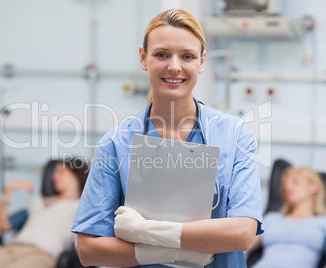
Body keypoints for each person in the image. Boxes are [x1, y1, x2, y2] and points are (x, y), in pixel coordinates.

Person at [72, 8, 263, 268]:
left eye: (187, 56)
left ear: (202, 61)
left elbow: (242, 234)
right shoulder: (117, 142)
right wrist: (169, 253)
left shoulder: (235, 135)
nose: (174, 66)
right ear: (143, 57)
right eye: (162, 54)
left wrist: (145, 232)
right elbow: (89, 249)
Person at [0, 158, 89, 268]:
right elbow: (1, 226)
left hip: (42, 253)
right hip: (11, 248)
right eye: (54, 172)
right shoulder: (39, 201)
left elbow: (83, 245)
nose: (53, 177)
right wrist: (7, 190)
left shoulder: (80, 207)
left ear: (76, 175)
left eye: (61, 172)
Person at [250, 167, 326, 268]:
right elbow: (243, 245)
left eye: (295, 182)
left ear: (313, 187)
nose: (288, 187)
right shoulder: (271, 218)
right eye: (285, 184)